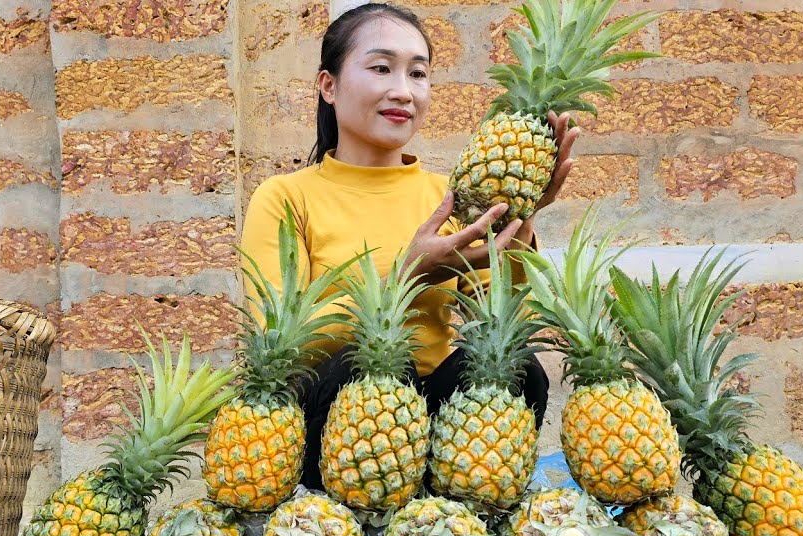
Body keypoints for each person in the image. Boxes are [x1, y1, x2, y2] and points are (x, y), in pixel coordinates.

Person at [239, 2, 578, 491]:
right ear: (328, 85)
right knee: (361, 369)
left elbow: (501, 319)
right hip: (334, 427)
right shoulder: (286, 197)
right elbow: (280, 342)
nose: (403, 91)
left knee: (517, 365)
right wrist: (407, 277)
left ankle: (466, 498)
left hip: (441, 426)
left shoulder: (450, 195)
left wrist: (525, 215)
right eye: (381, 68)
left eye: (418, 73)